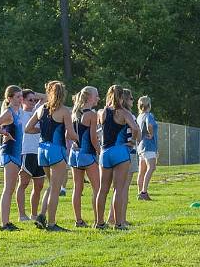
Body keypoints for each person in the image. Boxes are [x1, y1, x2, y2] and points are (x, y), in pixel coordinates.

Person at [25, 81, 78, 231]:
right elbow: (71, 134)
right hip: (56, 150)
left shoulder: (41, 108)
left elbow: (28, 128)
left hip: (42, 149)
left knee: (51, 186)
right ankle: (52, 224)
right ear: (62, 95)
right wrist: (79, 140)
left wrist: (41, 132)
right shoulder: (64, 111)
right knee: (56, 188)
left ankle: (41, 215)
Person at [95, 85, 139, 230]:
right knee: (118, 189)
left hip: (104, 153)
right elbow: (135, 128)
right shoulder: (124, 112)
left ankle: (99, 222)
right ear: (121, 97)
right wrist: (132, 141)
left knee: (102, 190)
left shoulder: (102, 112)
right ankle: (119, 223)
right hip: (120, 152)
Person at [0, 85, 24, 231]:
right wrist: (5, 133)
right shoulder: (8, 113)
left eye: (21, 96)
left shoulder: (18, 112)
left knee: (11, 188)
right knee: (8, 189)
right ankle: (4, 224)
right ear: (9, 99)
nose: (20, 99)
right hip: (9, 152)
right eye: (17, 96)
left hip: (16, 153)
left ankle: (7, 222)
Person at [69, 86, 100, 227]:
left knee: (77, 188)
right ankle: (98, 221)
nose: (98, 98)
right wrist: (100, 151)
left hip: (74, 153)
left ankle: (78, 220)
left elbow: (68, 135)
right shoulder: (92, 115)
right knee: (97, 188)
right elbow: (93, 138)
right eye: (96, 96)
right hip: (87, 153)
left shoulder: (74, 113)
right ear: (88, 97)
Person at [108, 89, 139, 227]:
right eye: (131, 98)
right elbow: (137, 131)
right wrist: (132, 141)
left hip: (111, 152)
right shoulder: (128, 115)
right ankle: (121, 219)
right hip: (127, 152)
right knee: (123, 189)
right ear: (125, 99)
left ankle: (111, 217)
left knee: (115, 188)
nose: (133, 100)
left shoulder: (111, 113)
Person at [16, 89, 45, 221]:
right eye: (30, 100)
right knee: (23, 183)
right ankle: (22, 215)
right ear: (22, 100)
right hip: (27, 152)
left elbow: (48, 97)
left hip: (39, 152)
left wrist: (35, 95)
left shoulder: (37, 111)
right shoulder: (19, 113)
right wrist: (22, 94)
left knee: (39, 185)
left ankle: (34, 215)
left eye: (35, 100)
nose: (34, 102)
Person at [136, 95, 158, 200]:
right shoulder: (149, 115)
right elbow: (149, 125)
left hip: (140, 146)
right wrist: (151, 134)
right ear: (149, 105)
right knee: (152, 167)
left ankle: (140, 192)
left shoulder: (139, 116)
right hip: (149, 145)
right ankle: (144, 192)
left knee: (142, 171)